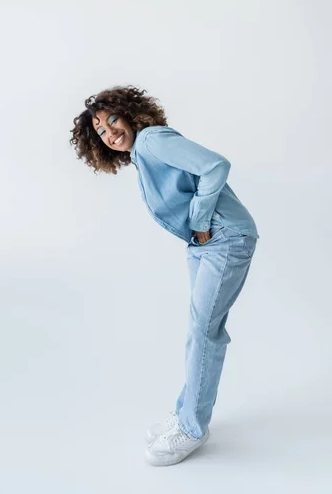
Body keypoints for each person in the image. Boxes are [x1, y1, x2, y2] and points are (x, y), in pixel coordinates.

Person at [70, 85, 260, 467]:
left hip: (223, 238)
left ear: (130, 114)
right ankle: (188, 412)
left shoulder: (153, 140)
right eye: (101, 130)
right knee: (200, 331)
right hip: (206, 244)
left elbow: (215, 165)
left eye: (112, 120)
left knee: (204, 332)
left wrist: (201, 220)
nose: (110, 132)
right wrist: (198, 231)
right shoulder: (142, 155)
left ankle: (191, 428)